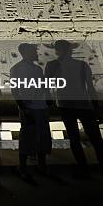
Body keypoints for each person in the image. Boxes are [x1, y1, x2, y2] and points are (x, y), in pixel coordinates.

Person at [44, 40, 103, 177]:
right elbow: (90, 88)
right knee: (95, 138)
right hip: (83, 105)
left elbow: (46, 85)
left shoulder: (52, 65)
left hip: (66, 105)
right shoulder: (82, 65)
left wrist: (49, 101)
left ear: (57, 51)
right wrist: (95, 107)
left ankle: (83, 169)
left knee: (75, 138)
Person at [10, 43, 52, 183]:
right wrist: (23, 107)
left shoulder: (36, 69)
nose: (36, 53)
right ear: (25, 52)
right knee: (28, 138)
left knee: (42, 137)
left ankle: (40, 166)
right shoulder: (17, 69)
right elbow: (15, 90)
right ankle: (24, 167)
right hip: (30, 108)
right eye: (34, 51)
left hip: (40, 107)